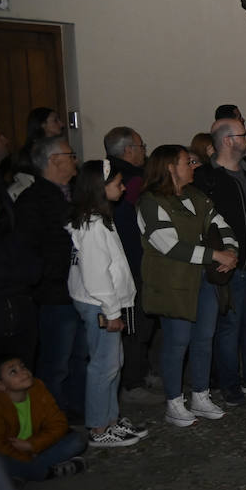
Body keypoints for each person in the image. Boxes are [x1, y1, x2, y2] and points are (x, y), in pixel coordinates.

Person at [138, 144, 239, 427]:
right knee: (176, 341)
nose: (193, 166)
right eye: (187, 162)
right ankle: (174, 401)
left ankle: (200, 394)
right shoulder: (151, 202)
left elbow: (221, 226)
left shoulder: (197, 196)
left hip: (203, 281)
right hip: (172, 284)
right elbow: (168, 244)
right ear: (170, 168)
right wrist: (214, 255)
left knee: (204, 339)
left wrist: (231, 251)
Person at [198, 118, 246, 404]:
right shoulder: (208, 178)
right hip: (231, 264)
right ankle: (230, 384)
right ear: (229, 140)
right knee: (230, 325)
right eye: (244, 136)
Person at [67, 160, 145, 448]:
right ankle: (99, 427)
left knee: (114, 363)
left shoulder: (99, 220)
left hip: (105, 305)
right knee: (104, 366)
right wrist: (112, 312)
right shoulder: (92, 227)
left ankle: (111, 418)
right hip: (100, 305)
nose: (124, 188)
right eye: (117, 183)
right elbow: (97, 275)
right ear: (100, 188)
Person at [15, 134, 86, 419]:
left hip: (79, 289)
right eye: (70, 155)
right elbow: (31, 249)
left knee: (80, 355)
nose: (75, 160)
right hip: (55, 293)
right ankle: (52, 415)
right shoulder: (33, 200)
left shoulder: (73, 194)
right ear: (54, 160)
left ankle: (78, 408)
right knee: (56, 360)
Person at [103, 127, 156, 401]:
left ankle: (141, 371)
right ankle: (133, 382)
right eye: (141, 145)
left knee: (138, 321)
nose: (144, 151)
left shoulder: (105, 174)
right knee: (135, 322)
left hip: (123, 261)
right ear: (128, 151)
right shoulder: (132, 179)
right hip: (130, 262)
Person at [0, 354, 87, 482]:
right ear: (0, 385)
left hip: (35, 449)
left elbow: (59, 424)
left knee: (76, 441)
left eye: (22, 367)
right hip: (12, 454)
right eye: (13, 371)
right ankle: (45, 472)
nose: (23, 372)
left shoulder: (37, 387)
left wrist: (32, 445)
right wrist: (25, 456)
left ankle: (22, 474)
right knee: (0, 461)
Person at [0, 129, 40, 368]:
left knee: (22, 368)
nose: (6, 139)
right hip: (5, 291)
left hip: (17, 289)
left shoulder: (0, 183)